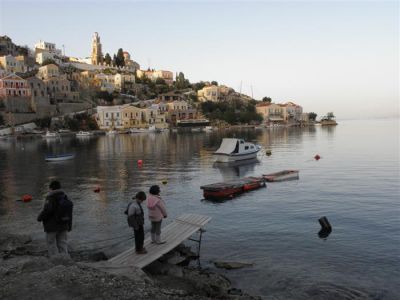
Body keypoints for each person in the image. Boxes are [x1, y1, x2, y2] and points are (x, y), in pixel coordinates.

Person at [37, 180, 73, 257]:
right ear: (60, 187)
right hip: (64, 225)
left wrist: (39, 218)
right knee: (62, 244)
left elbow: (47, 210)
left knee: (51, 244)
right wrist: (69, 226)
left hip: (52, 226)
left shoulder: (50, 197)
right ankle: (65, 260)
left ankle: (54, 260)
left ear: (51, 188)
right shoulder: (66, 197)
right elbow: (70, 213)